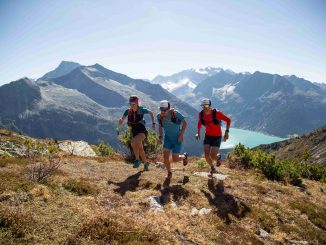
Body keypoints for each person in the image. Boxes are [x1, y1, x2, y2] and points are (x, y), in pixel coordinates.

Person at [118, 95, 155, 171]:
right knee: (140, 149)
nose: (132, 105)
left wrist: (153, 123)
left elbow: (151, 113)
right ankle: (145, 164)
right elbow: (122, 119)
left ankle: (137, 160)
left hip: (142, 131)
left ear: (137, 103)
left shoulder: (141, 110)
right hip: (134, 131)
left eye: (133, 104)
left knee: (133, 142)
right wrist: (121, 121)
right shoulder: (128, 111)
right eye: (130, 104)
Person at [195, 98, 231, 176]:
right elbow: (199, 123)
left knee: (213, 156)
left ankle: (218, 158)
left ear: (210, 105)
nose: (204, 107)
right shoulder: (201, 114)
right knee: (206, 155)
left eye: (206, 105)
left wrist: (226, 132)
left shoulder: (217, 113)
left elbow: (228, 120)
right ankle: (212, 168)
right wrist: (197, 133)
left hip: (217, 137)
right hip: (207, 136)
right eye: (203, 106)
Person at [157, 100, 188, 181]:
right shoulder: (159, 116)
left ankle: (184, 157)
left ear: (168, 109)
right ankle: (169, 173)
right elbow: (160, 126)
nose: (163, 112)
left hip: (177, 139)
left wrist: (181, 135)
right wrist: (160, 136)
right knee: (165, 157)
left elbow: (185, 123)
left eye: (164, 110)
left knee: (175, 159)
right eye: (161, 109)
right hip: (167, 139)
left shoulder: (175, 113)